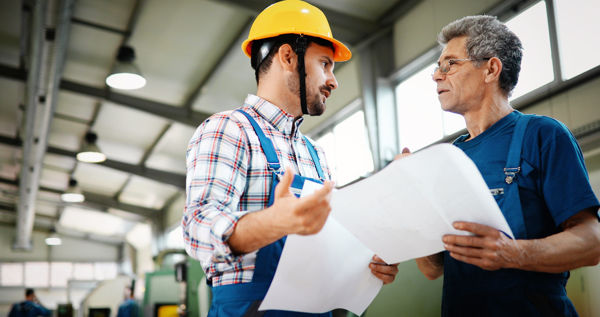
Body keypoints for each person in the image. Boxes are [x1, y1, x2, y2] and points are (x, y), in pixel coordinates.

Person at [182, 0, 398, 316]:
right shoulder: (229, 129)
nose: (333, 81)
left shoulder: (316, 154)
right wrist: (270, 223)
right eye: (325, 63)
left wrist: (369, 261)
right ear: (287, 56)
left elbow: (327, 241)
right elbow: (197, 224)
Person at [413, 15, 600, 316]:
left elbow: (592, 242)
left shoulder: (543, 136)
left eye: (449, 64)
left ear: (491, 69)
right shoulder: (447, 158)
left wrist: (513, 254)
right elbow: (432, 268)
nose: (437, 75)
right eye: (437, 67)